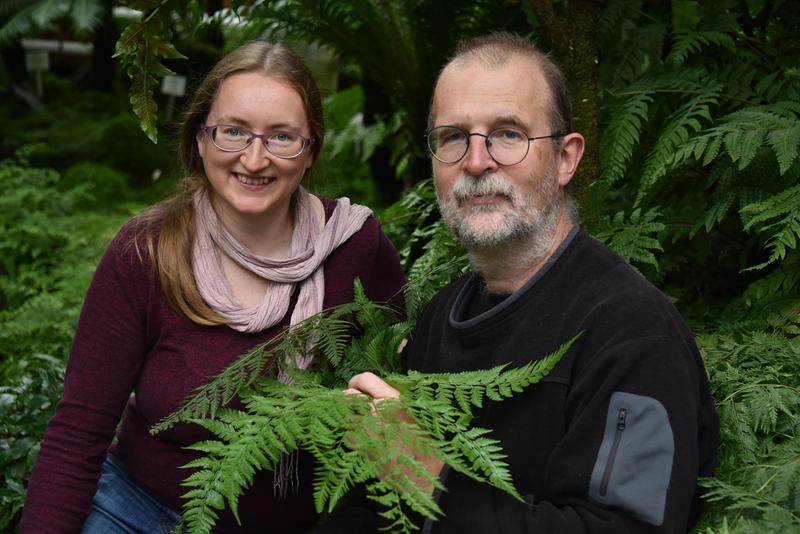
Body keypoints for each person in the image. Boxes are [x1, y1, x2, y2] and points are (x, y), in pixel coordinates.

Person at [21, 40, 406, 534]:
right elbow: (78, 430)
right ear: (200, 139)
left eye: (282, 136)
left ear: (311, 152)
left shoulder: (357, 247)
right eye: (233, 132)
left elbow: (408, 377)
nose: (254, 157)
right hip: (136, 513)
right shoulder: (145, 251)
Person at [343, 32, 719, 533]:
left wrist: (432, 479)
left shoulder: (632, 333)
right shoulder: (440, 317)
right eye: (454, 137)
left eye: (508, 134)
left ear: (566, 159)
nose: (476, 163)